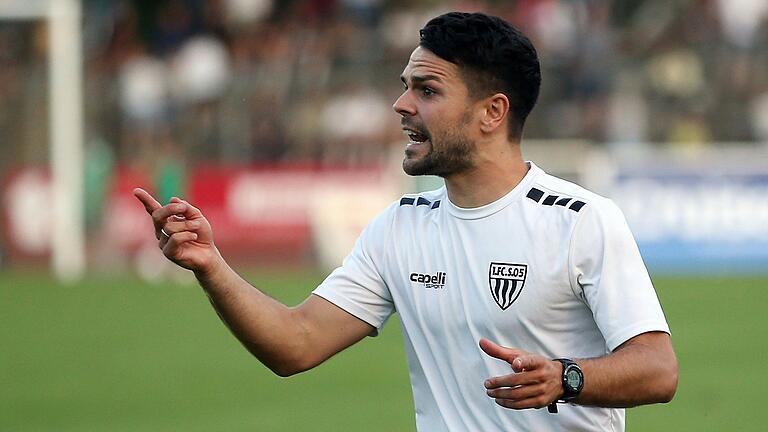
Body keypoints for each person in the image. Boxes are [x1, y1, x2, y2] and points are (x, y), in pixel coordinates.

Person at [134, 12, 677, 431]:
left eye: (427, 90)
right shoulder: (399, 228)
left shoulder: (581, 221)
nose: (400, 104)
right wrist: (211, 265)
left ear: (492, 112)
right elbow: (295, 344)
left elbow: (657, 369)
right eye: (406, 85)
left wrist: (565, 378)